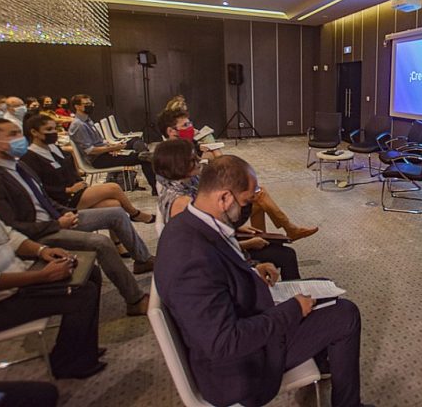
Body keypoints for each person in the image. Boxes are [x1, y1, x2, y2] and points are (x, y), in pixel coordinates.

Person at [155, 155, 366, 407]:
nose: (248, 207)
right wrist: (293, 310)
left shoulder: (190, 223)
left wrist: (252, 268)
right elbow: (224, 343)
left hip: (246, 319)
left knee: (323, 288)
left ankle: (320, 358)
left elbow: (221, 274)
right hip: (243, 368)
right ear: (223, 198)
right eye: (245, 201)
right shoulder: (191, 261)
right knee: (346, 314)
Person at [0, 118, 152, 315]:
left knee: (116, 212)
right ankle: (134, 299)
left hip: (56, 219)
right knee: (100, 243)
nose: (20, 138)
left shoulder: (18, 166)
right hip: (39, 234)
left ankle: (142, 260)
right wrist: (56, 223)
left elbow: (44, 199)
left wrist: (64, 213)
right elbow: (11, 228)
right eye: (12, 135)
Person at [0, 196, 105, 379]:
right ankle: (68, 363)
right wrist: (40, 277)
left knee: (90, 272)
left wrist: (41, 250)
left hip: (16, 276)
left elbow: (7, 234)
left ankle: (80, 351)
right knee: (82, 294)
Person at [157, 108, 318, 241]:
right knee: (258, 194)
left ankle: (266, 237)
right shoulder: (175, 161)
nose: (191, 127)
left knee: (257, 195)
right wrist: (214, 151)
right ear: (172, 131)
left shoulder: (181, 151)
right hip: (214, 210)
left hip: (212, 201)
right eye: (186, 125)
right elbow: (226, 172)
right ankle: (286, 230)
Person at [153, 140, 300, 280]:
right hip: (220, 258)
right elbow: (209, 248)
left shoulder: (184, 183)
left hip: (223, 242)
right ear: (178, 164)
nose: (198, 160)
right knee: (286, 255)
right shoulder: (181, 202)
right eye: (193, 159)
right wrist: (248, 244)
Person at [21, 114, 155, 223]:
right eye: (49, 130)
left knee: (114, 205)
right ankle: (136, 214)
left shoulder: (54, 148)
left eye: (55, 128)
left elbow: (68, 171)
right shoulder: (29, 157)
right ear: (34, 132)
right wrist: (68, 189)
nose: (54, 133)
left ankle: (119, 245)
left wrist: (79, 182)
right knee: (113, 187)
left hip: (76, 190)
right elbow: (38, 187)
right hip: (63, 198)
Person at [68, 94, 157, 195]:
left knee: (137, 144)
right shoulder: (79, 125)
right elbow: (90, 150)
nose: (91, 105)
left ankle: (149, 162)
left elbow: (99, 142)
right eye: (87, 104)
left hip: (105, 153)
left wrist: (111, 148)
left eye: (91, 103)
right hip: (98, 159)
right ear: (77, 106)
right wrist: (112, 148)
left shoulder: (87, 120)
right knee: (143, 157)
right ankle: (155, 188)